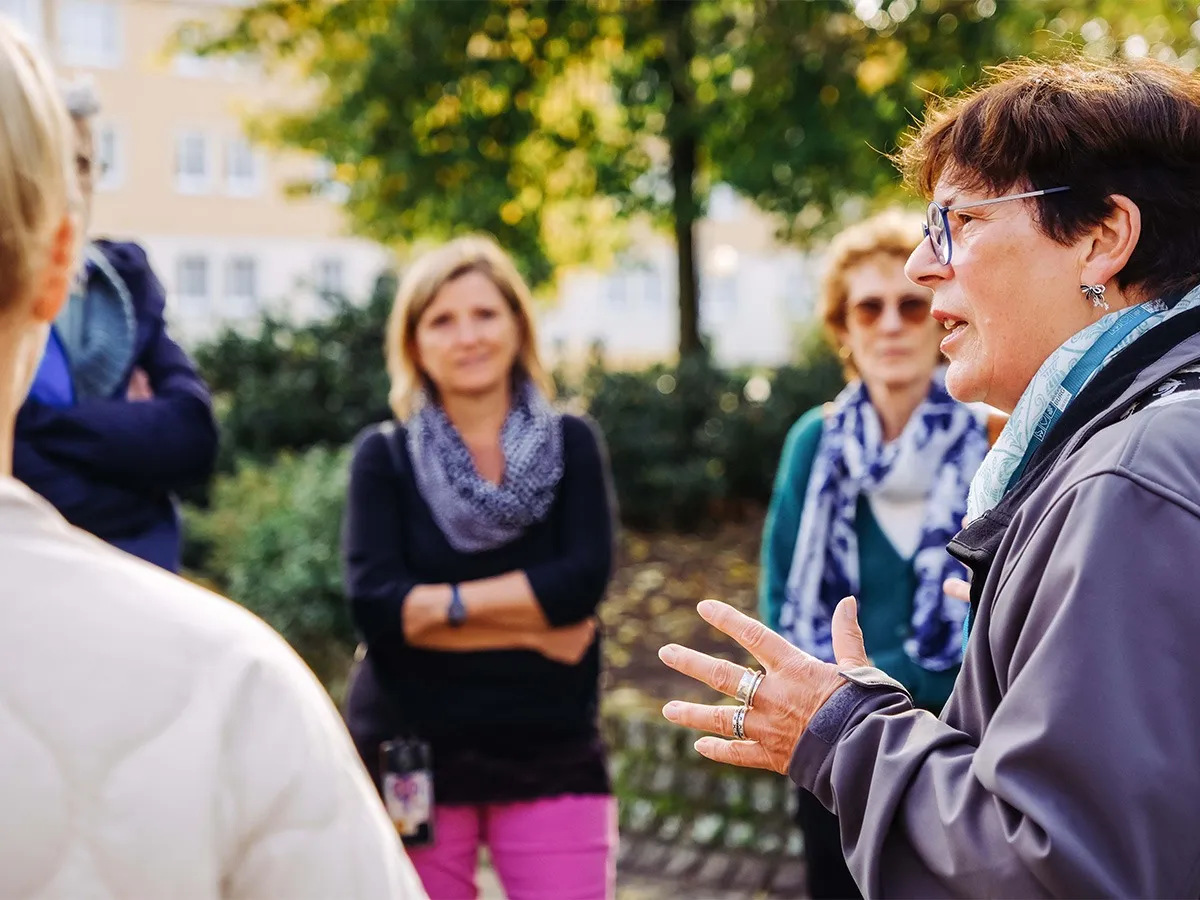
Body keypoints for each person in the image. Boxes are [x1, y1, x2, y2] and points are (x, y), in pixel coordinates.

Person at [659, 55, 1200, 898]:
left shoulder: (1130, 473)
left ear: (1102, 238)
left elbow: (1058, 871)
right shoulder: (1134, 446)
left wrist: (838, 730)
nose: (920, 268)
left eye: (957, 222)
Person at [0, 19, 424, 899]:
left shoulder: (128, 283)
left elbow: (191, 437)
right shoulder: (236, 693)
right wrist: (105, 435)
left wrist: (55, 432)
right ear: (53, 259)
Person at [342, 235, 617, 900]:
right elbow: (378, 609)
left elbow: (580, 585)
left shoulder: (572, 443)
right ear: (413, 344)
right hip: (413, 751)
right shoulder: (384, 458)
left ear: (518, 325)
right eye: (442, 319)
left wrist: (434, 611)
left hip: (549, 746)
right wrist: (531, 627)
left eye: (485, 314)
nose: (467, 336)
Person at [759, 211, 988, 899]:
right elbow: (780, 603)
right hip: (835, 742)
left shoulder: (995, 438)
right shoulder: (813, 443)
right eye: (869, 307)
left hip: (961, 749)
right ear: (844, 329)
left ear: (940, 316)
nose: (892, 324)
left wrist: (911, 704)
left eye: (912, 305)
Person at [13, 77, 218, 572]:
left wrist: (35, 426)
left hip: (141, 577)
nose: (75, 183)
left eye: (86, 164)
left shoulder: (125, 282)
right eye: (61, 159)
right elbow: (23, 484)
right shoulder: (10, 297)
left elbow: (191, 437)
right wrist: (135, 468)